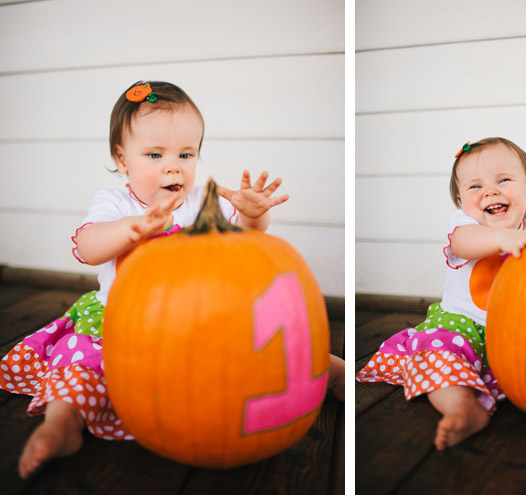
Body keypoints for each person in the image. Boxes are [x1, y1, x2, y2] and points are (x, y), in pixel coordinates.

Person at [0, 81, 345, 479]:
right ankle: (62, 424)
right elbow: (89, 246)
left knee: (262, 356)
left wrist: (253, 215)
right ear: (122, 158)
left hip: (203, 324)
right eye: (154, 154)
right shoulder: (116, 204)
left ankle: (327, 371)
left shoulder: (200, 201)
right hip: (122, 327)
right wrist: (133, 229)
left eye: (186, 153)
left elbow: (246, 245)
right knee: (80, 366)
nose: (173, 166)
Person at [356, 137, 526, 451]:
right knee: (436, 356)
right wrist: (504, 238)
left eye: (503, 180)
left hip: (516, 335)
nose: (491, 192)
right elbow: (463, 244)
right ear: (461, 199)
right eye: (475, 186)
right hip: (460, 329)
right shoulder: (466, 225)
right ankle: (462, 407)